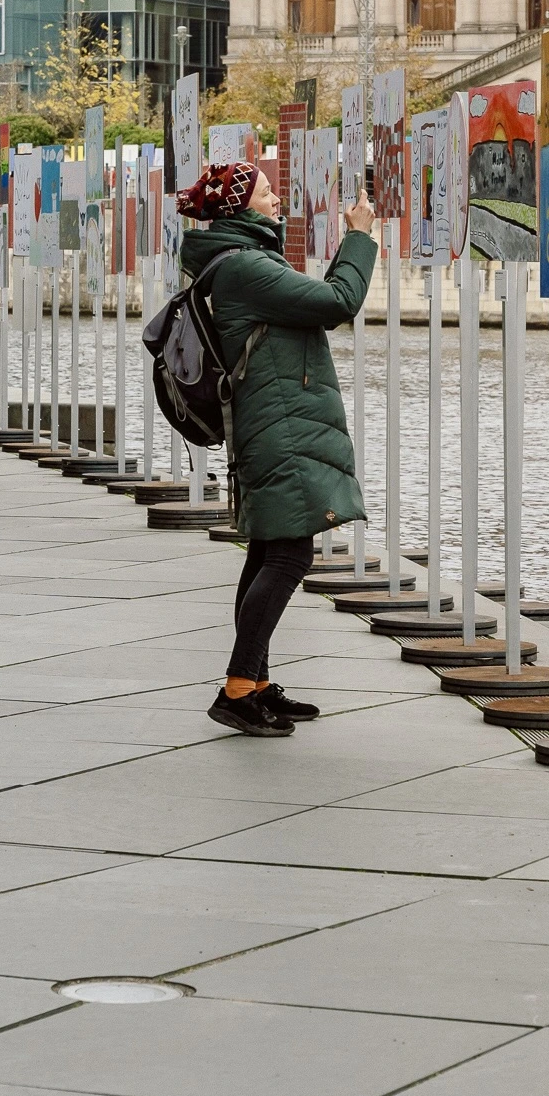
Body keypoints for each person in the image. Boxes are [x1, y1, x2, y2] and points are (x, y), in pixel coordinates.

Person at [175, 159, 376, 738]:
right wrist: (359, 236)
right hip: (279, 426)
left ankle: (256, 685)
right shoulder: (242, 268)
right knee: (288, 555)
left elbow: (316, 303)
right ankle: (238, 687)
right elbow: (338, 301)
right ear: (239, 208)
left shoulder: (239, 262)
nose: (274, 199)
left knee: (268, 551)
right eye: (265, 192)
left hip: (276, 421)